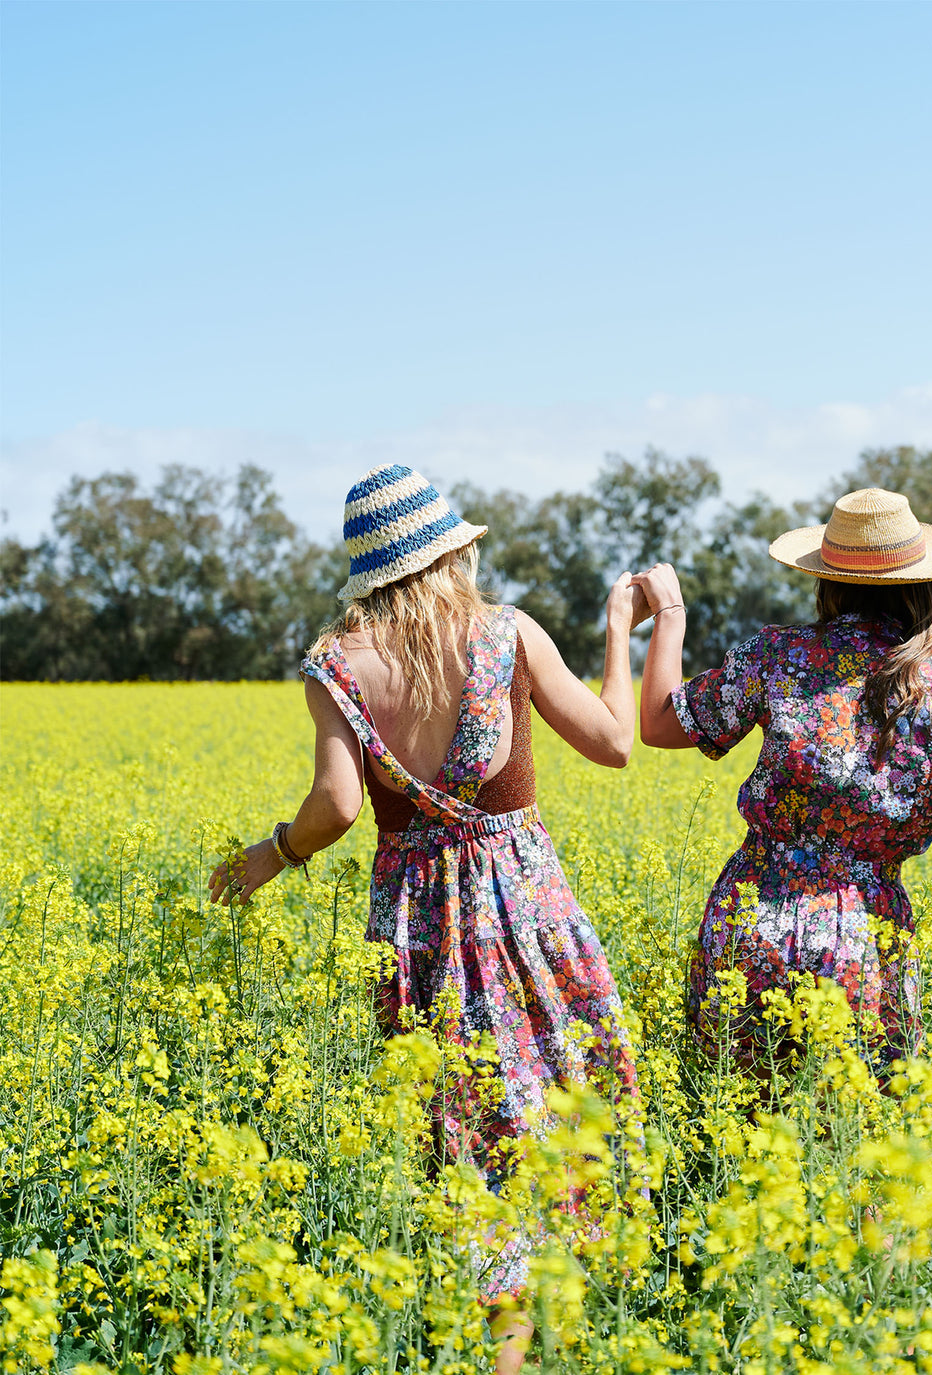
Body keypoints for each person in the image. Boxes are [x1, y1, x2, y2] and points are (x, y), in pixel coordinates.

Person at [209, 464, 645, 1374]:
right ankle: (540, 1331)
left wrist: (271, 856)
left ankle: (494, 1337)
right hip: (522, 900)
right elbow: (612, 742)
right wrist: (622, 633)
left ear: (370, 572)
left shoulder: (336, 665)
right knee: (561, 1097)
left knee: (459, 1123)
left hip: (414, 917)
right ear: (452, 554)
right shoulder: (507, 632)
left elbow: (334, 804)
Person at [631, 487, 932, 1082]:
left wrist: (670, 617)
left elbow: (662, 725)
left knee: (739, 1132)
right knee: (857, 1141)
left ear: (827, 581)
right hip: (864, 941)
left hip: (749, 921)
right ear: (926, 584)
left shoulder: (778, 655)